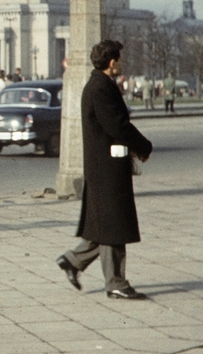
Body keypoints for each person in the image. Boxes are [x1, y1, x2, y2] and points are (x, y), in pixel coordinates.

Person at [57, 40, 153, 301]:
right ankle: (116, 282)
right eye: (119, 59)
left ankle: (72, 260)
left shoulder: (100, 84)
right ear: (112, 62)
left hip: (104, 166)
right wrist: (143, 146)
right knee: (113, 225)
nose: (121, 63)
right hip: (106, 167)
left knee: (104, 223)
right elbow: (118, 126)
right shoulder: (100, 88)